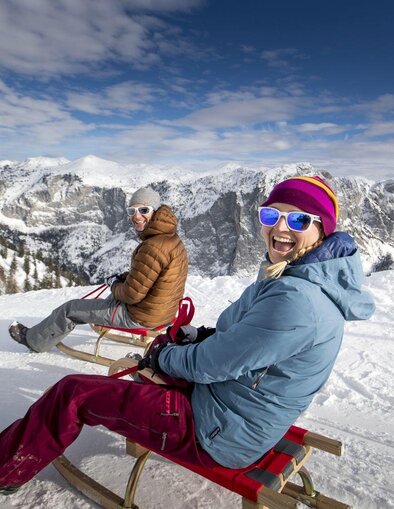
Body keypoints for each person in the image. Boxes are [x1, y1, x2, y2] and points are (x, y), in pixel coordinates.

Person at [0, 175, 375, 495]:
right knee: (159, 360)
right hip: (232, 410)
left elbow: (212, 364)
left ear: (323, 229)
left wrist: (162, 357)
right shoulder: (298, 279)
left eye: (298, 219)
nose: (280, 227)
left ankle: (6, 469)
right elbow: (247, 343)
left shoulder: (297, 299)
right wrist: (202, 335)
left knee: (73, 392)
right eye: (271, 214)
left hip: (215, 432)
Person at [8, 186, 188, 353]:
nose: (136, 216)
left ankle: (34, 341)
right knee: (108, 300)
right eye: (131, 211)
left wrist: (114, 285)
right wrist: (125, 278)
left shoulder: (152, 247)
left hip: (141, 315)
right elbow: (154, 276)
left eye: (143, 210)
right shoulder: (170, 239)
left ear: (155, 211)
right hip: (163, 312)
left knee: (70, 309)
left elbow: (132, 295)